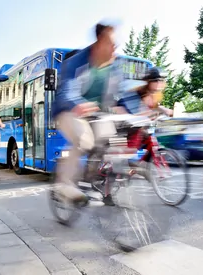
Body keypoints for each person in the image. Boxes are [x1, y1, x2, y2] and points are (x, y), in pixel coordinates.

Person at [51, 22, 126, 206]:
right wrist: (78, 104)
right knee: (84, 141)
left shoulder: (113, 67)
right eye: (111, 43)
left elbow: (123, 94)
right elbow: (67, 90)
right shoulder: (76, 62)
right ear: (99, 42)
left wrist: (135, 110)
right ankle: (64, 184)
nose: (115, 47)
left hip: (97, 114)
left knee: (115, 140)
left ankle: (95, 181)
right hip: (69, 111)